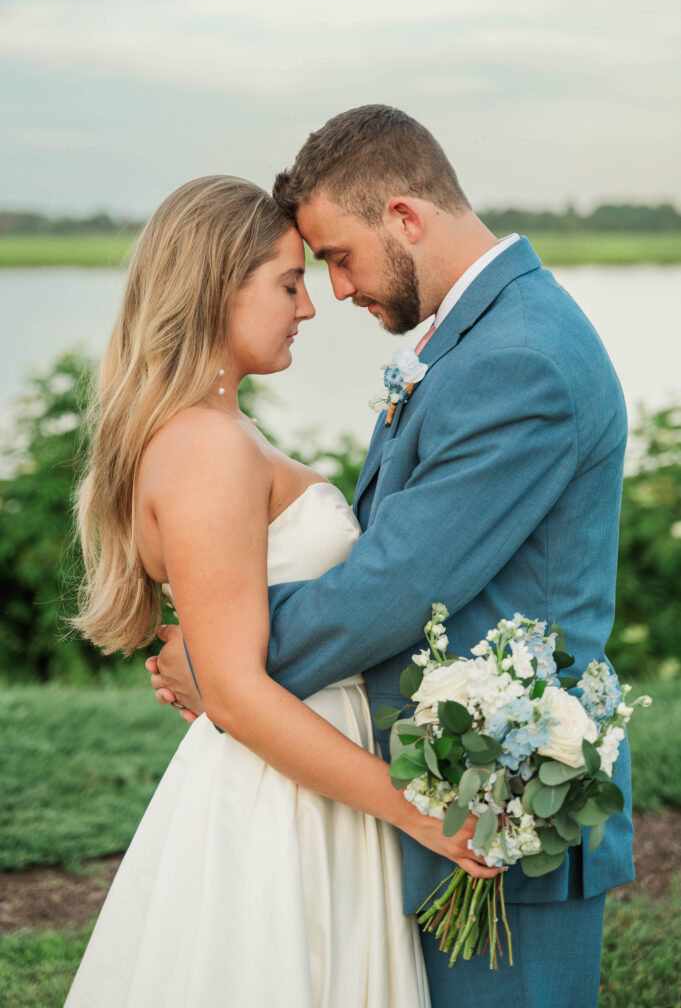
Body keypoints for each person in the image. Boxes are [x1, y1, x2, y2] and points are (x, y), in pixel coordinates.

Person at [151, 106, 635, 1008]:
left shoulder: (517, 356)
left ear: (405, 219)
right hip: (449, 793)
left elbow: (399, 582)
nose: (333, 291)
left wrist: (223, 664)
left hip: (508, 803)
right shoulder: (484, 334)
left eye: (337, 257)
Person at [65, 173, 504, 1008]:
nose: (308, 308)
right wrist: (413, 812)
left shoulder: (220, 433)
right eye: (289, 282)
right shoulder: (208, 449)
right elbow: (231, 689)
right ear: (214, 290)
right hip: (280, 800)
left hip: (308, 772)